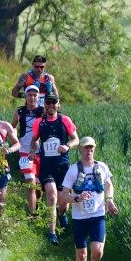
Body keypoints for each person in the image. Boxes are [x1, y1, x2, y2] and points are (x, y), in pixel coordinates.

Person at [60, 137, 118, 261]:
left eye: (91, 148)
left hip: (97, 215)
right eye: (85, 148)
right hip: (79, 218)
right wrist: (77, 199)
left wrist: (110, 200)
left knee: (98, 250)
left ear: (94, 149)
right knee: (81, 255)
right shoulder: (73, 170)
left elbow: (108, 184)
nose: (88, 151)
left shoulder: (102, 167)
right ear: (80, 150)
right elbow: (64, 195)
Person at [31, 93, 78, 245]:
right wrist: (33, 150)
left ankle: (62, 214)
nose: (51, 104)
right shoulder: (39, 122)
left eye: (54, 102)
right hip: (47, 166)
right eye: (48, 102)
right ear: (45, 105)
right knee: (51, 196)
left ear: (58, 104)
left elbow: (76, 139)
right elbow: (34, 140)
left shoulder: (65, 120)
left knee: (63, 201)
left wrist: (67, 146)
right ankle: (51, 233)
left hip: (63, 166)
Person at [11, 85, 44, 215]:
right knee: (30, 182)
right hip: (24, 151)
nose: (32, 97)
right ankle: (33, 215)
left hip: (41, 152)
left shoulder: (43, 111)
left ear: (38, 97)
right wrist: (15, 139)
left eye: (35, 95)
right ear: (25, 96)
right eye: (30, 95)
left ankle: (38, 204)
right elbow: (12, 128)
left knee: (38, 185)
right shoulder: (19, 112)